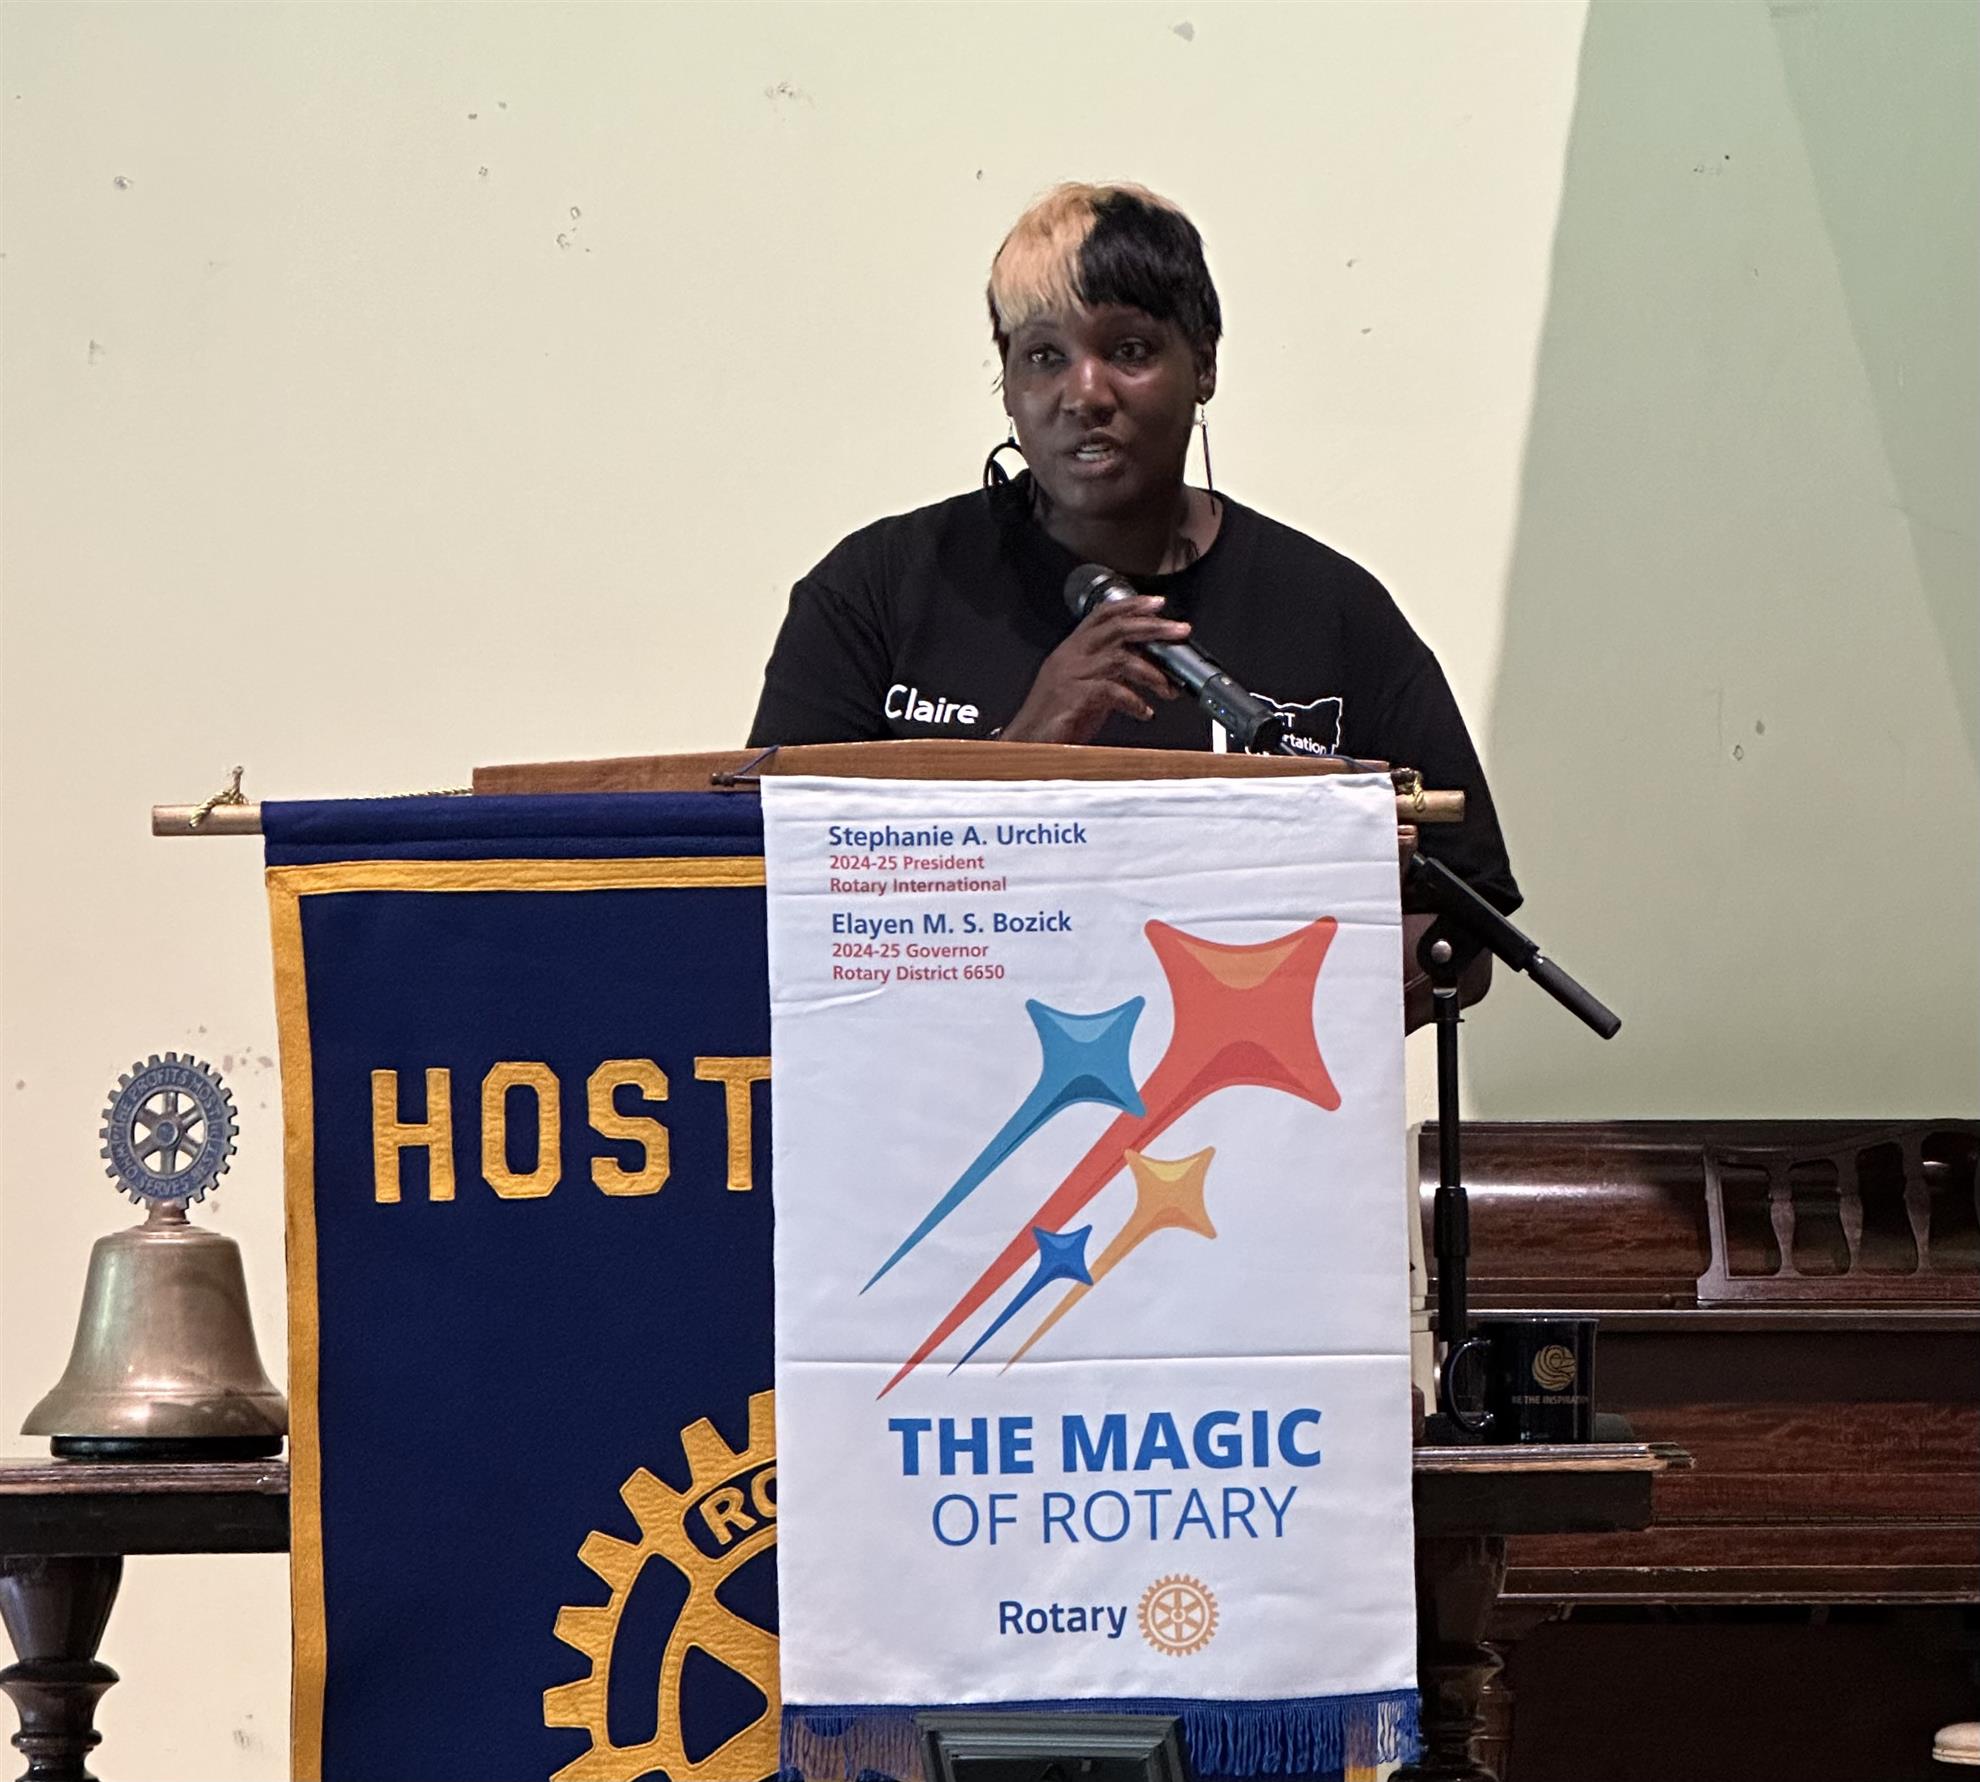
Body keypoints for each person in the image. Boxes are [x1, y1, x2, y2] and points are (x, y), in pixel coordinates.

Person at [748, 180, 1520, 923]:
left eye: (1128, 349)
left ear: (1204, 364)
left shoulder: (1329, 611)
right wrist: (1026, 751)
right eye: (1044, 356)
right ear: (1007, 382)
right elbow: (769, 894)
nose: (1085, 393)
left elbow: (1462, 920)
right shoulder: (875, 595)